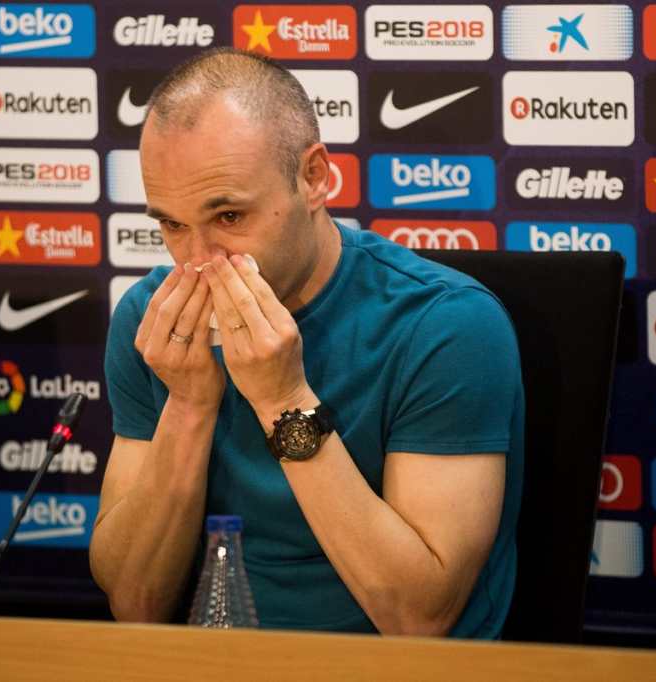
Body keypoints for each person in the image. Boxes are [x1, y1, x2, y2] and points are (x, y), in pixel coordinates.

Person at [91, 47, 524, 638]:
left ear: (314, 177)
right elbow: (134, 603)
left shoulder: (446, 326)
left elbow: (419, 617)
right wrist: (188, 406)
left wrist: (283, 400)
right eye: (172, 224)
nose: (198, 261)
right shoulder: (154, 321)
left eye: (229, 217)